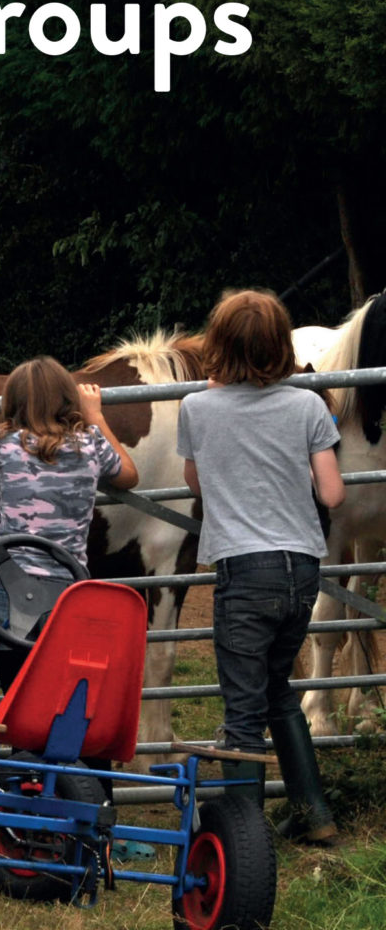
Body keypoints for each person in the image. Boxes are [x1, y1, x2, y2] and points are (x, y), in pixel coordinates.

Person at [177, 288, 345, 843]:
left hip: (243, 571)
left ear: (217, 345)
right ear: (281, 344)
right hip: (301, 569)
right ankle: (314, 812)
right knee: (278, 691)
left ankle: (242, 836)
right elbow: (333, 493)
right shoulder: (308, 406)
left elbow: (194, 484)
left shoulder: (197, 408)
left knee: (243, 706)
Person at [0, 355, 140, 685]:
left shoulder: (0, 443)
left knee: (15, 687)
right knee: (53, 689)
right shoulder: (90, 445)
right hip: (66, 589)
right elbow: (128, 475)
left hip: (6, 583)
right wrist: (95, 416)